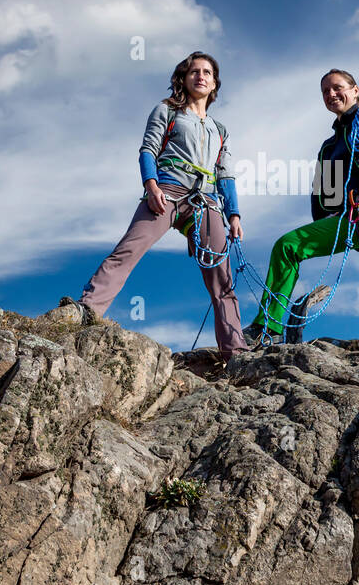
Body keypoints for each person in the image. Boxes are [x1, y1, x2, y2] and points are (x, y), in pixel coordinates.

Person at [244, 3, 359, 351]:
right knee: (287, 245)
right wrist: (327, 225)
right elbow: (323, 204)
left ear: (355, 90)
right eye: (325, 91)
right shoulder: (329, 148)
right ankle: (266, 327)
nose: (331, 94)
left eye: (338, 87)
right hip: (353, 220)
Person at [78, 51, 248, 360]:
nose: (200, 76)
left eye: (207, 72)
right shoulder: (167, 110)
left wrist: (233, 214)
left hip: (206, 202)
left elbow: (226, 174)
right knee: (128, 249)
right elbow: (148, 149)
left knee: (220, 276)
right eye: (194, 71)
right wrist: (151, 185)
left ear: (214, 84)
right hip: (167, 190)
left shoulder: (220, 130)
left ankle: (234, 350)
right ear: (183, 78)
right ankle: (87, 310)